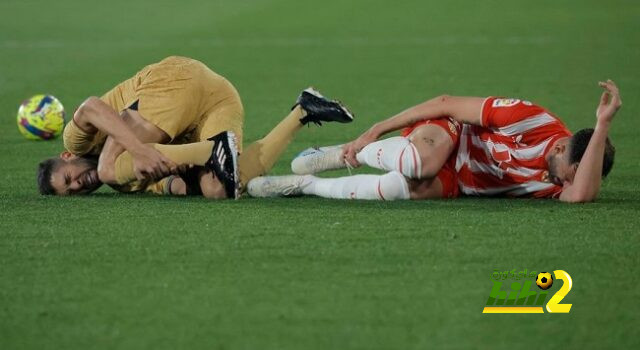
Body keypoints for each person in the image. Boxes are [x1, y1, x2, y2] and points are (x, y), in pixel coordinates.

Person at [247, 80, 620, 203]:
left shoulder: (569, 180)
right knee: (417, 164)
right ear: (558, 148)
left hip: (461, 182)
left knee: (394, 188)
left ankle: (308, 185)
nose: (564, 185)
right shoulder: (530, 120)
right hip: (450, 137)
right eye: (567, 175)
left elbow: (582, 196)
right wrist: (374, 131)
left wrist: (601, 125)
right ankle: (355, 152)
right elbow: (447, 104)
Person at [36, 56, 353, 198]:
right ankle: (303, 110)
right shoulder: (125, 182)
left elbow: (92, 106)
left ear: (66, 157)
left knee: (109, 166)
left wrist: (135, 151)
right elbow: (172, 185)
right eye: (72, 192)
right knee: (221, 188)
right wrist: (183, 179)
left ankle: (213, 149)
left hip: (173, 81)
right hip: (220, 100)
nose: (77, 185)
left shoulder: (76, 142)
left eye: (68, 179)